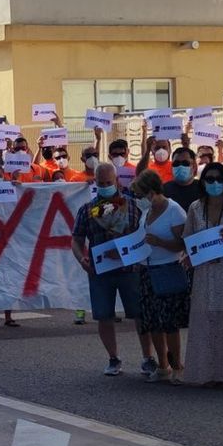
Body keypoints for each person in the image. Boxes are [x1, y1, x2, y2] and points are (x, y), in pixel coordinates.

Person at [181, 162, 223, 390]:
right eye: (209, 179)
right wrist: (189, 256)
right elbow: (188, 239)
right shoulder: (195, 208)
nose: (214, 183)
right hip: (206, 271)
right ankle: (212, 372)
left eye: (219, 179)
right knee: (209, 322)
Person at [70, 163, 143, 375]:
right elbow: (76, 240)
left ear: (117, 181)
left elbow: (142, 237)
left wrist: (127, 252)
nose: (104, 187)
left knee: (140, 315)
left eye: (108, 183)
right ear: (95, 182)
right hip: (99, 271)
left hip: (130, 270)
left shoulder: (132, 206)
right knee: (104, 316)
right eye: (100, 183)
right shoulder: (87, 210)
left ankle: (148, 357)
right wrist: (81, 258)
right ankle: (113, 358)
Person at [131, 171, 187, 384]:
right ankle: (162, 366)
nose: (139, 199)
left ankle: (177, 365)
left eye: (141, 194)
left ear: (153, 192)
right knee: (153, 321)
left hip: (167, 267)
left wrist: (160, 243)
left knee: (169, 322)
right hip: (147, 268)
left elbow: (182, 243)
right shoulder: (147, 211)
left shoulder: (174, 211)